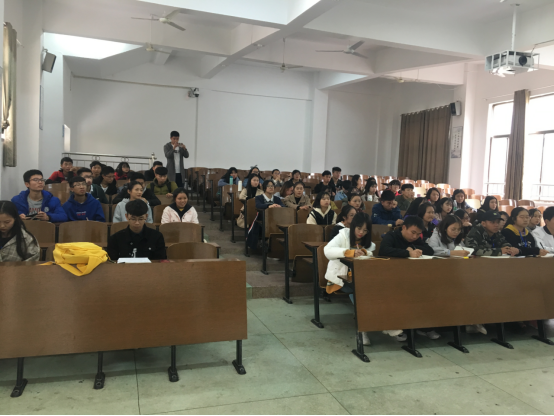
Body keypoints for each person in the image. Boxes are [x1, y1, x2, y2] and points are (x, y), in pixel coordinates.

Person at [326, 213, 403, 344]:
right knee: (361, 294)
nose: (361, 233)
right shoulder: (343, 235)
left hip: (361, 278)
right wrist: (348, 252)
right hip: (341, 278)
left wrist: (366, 253)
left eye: (365, 230)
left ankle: (384, 324)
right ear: (353, 226)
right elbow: (327, 251)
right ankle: (364, 331)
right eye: (359, 229)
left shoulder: (368, 243)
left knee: (379, 291)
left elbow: (371, 252)